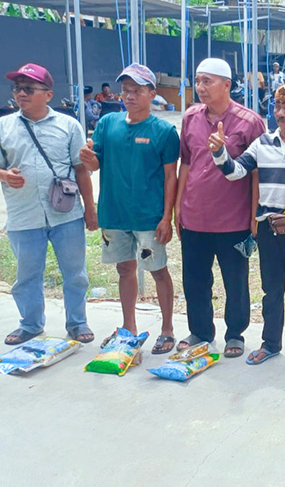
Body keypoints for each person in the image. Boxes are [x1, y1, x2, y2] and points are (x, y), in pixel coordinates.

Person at [210, 83, 285, 371]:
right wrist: (219, 152)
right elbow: (236, 172)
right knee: (271, 290)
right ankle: (270, 344)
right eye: (278, 106)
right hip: (269, 229)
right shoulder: (262, 143)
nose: (281, 113)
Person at [0, 63, 97, 345]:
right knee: (27, 275)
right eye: (17, 88)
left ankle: (77, 322)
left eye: (28, 88)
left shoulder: (68, 126)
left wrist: (90, 210)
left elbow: (80, 169)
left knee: (75, 274)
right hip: (23, 215)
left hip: (66, 214)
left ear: (48, 94)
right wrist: (5, 175)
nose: (20, 93)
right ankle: (31, 324)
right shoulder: (1, 127)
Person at [79, 63, 181, 355]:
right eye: (126, 90)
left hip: (149, 216)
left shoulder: (164, 131)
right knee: (124, 269)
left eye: (137, 90)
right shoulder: (107, 124)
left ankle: (167, 329)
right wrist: (88, 157)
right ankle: (129, 328)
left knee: (158, 270)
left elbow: (170, 177)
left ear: (152, 94)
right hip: (115, 213)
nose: (130, 96)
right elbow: (96, 162)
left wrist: (167, 217)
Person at [175, 57, 266, 358]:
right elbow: (186, 162)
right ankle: (200, 331)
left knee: (235, 281)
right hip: (195, 215)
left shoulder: (249, 122)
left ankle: (235, 334)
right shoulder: (190, 117)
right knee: (195, 279)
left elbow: (257, 172)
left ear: (226, 85)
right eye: (197, 81)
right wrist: (178, 206)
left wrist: (254, 215)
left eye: (207, 81)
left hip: (233, 219)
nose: (200, 87)